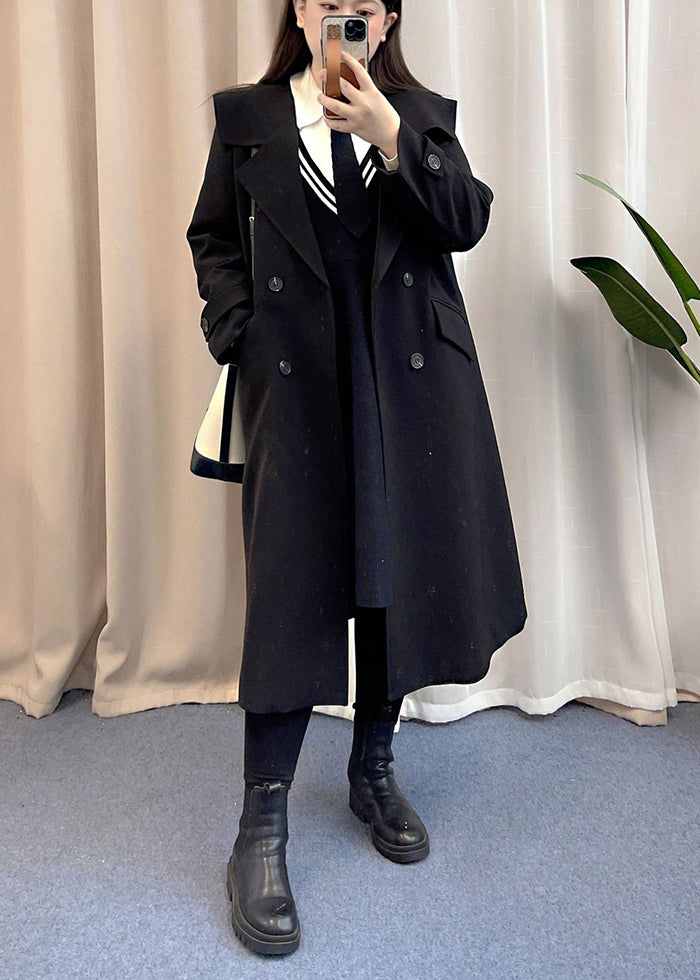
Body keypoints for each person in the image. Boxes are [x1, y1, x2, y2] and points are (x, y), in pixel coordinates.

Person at [186, 0, 527, 957]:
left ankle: (372, 767)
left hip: (408, 386)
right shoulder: (249, 117)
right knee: (291, 592)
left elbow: (466, 221)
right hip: (297, 383)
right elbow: (212, 238)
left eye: (363, 9)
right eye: (326, 2)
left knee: (393, 583)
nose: (344, 20)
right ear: (300, 11)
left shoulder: (417, 115)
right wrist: (239, 332)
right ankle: (260, 827)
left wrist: (391, 136)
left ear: (387, 19)